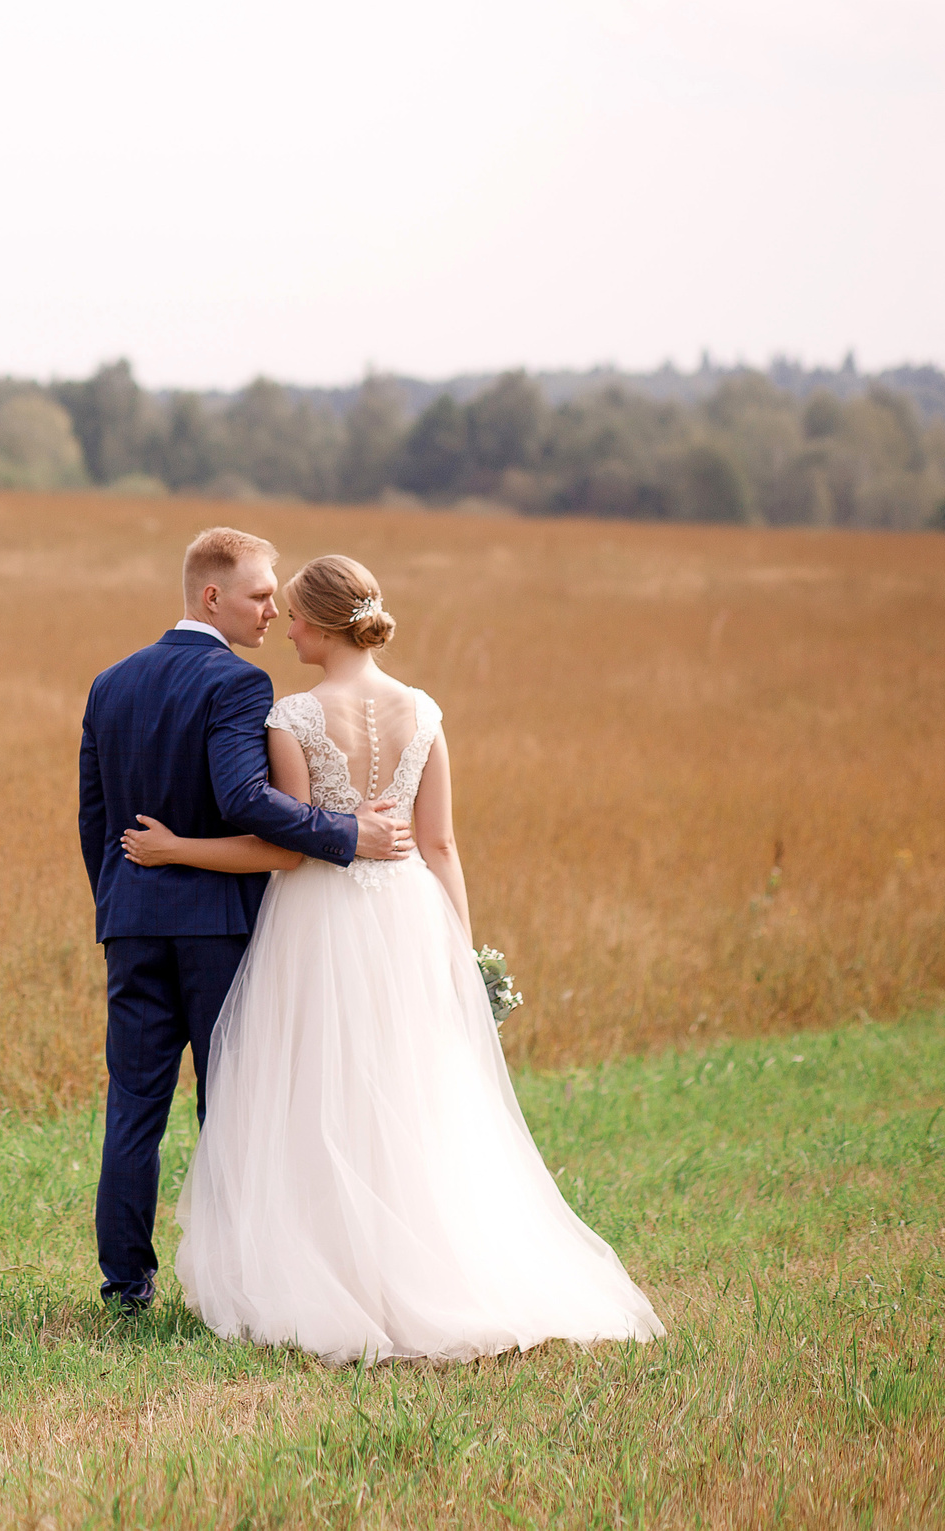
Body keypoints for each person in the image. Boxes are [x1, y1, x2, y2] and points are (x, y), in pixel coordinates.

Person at [122, 553, 663, 1362]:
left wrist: (174, 850)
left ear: (323, 623)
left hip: (321, 922)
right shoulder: (425, 710)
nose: (286, 626)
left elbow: (286, 853)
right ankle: (426, 1267)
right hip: (410, 916)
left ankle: (340, 1274)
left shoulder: (294, 717)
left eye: (295, 614)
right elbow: (442, 844)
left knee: (321, 1091)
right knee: (410, 1090)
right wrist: (463, 956)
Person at [76, 527, 415, 1312]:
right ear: (212, 596)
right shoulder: (237, 684)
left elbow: (95, 820)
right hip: (217, 928)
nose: (273, 608)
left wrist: (117, 902)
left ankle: (127, 1285)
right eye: (261, 594)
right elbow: (243, 799)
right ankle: (227, 1279)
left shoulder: (110, 681)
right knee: (232, 1103)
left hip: (130, 923)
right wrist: (346, 834)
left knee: (133, 1103)